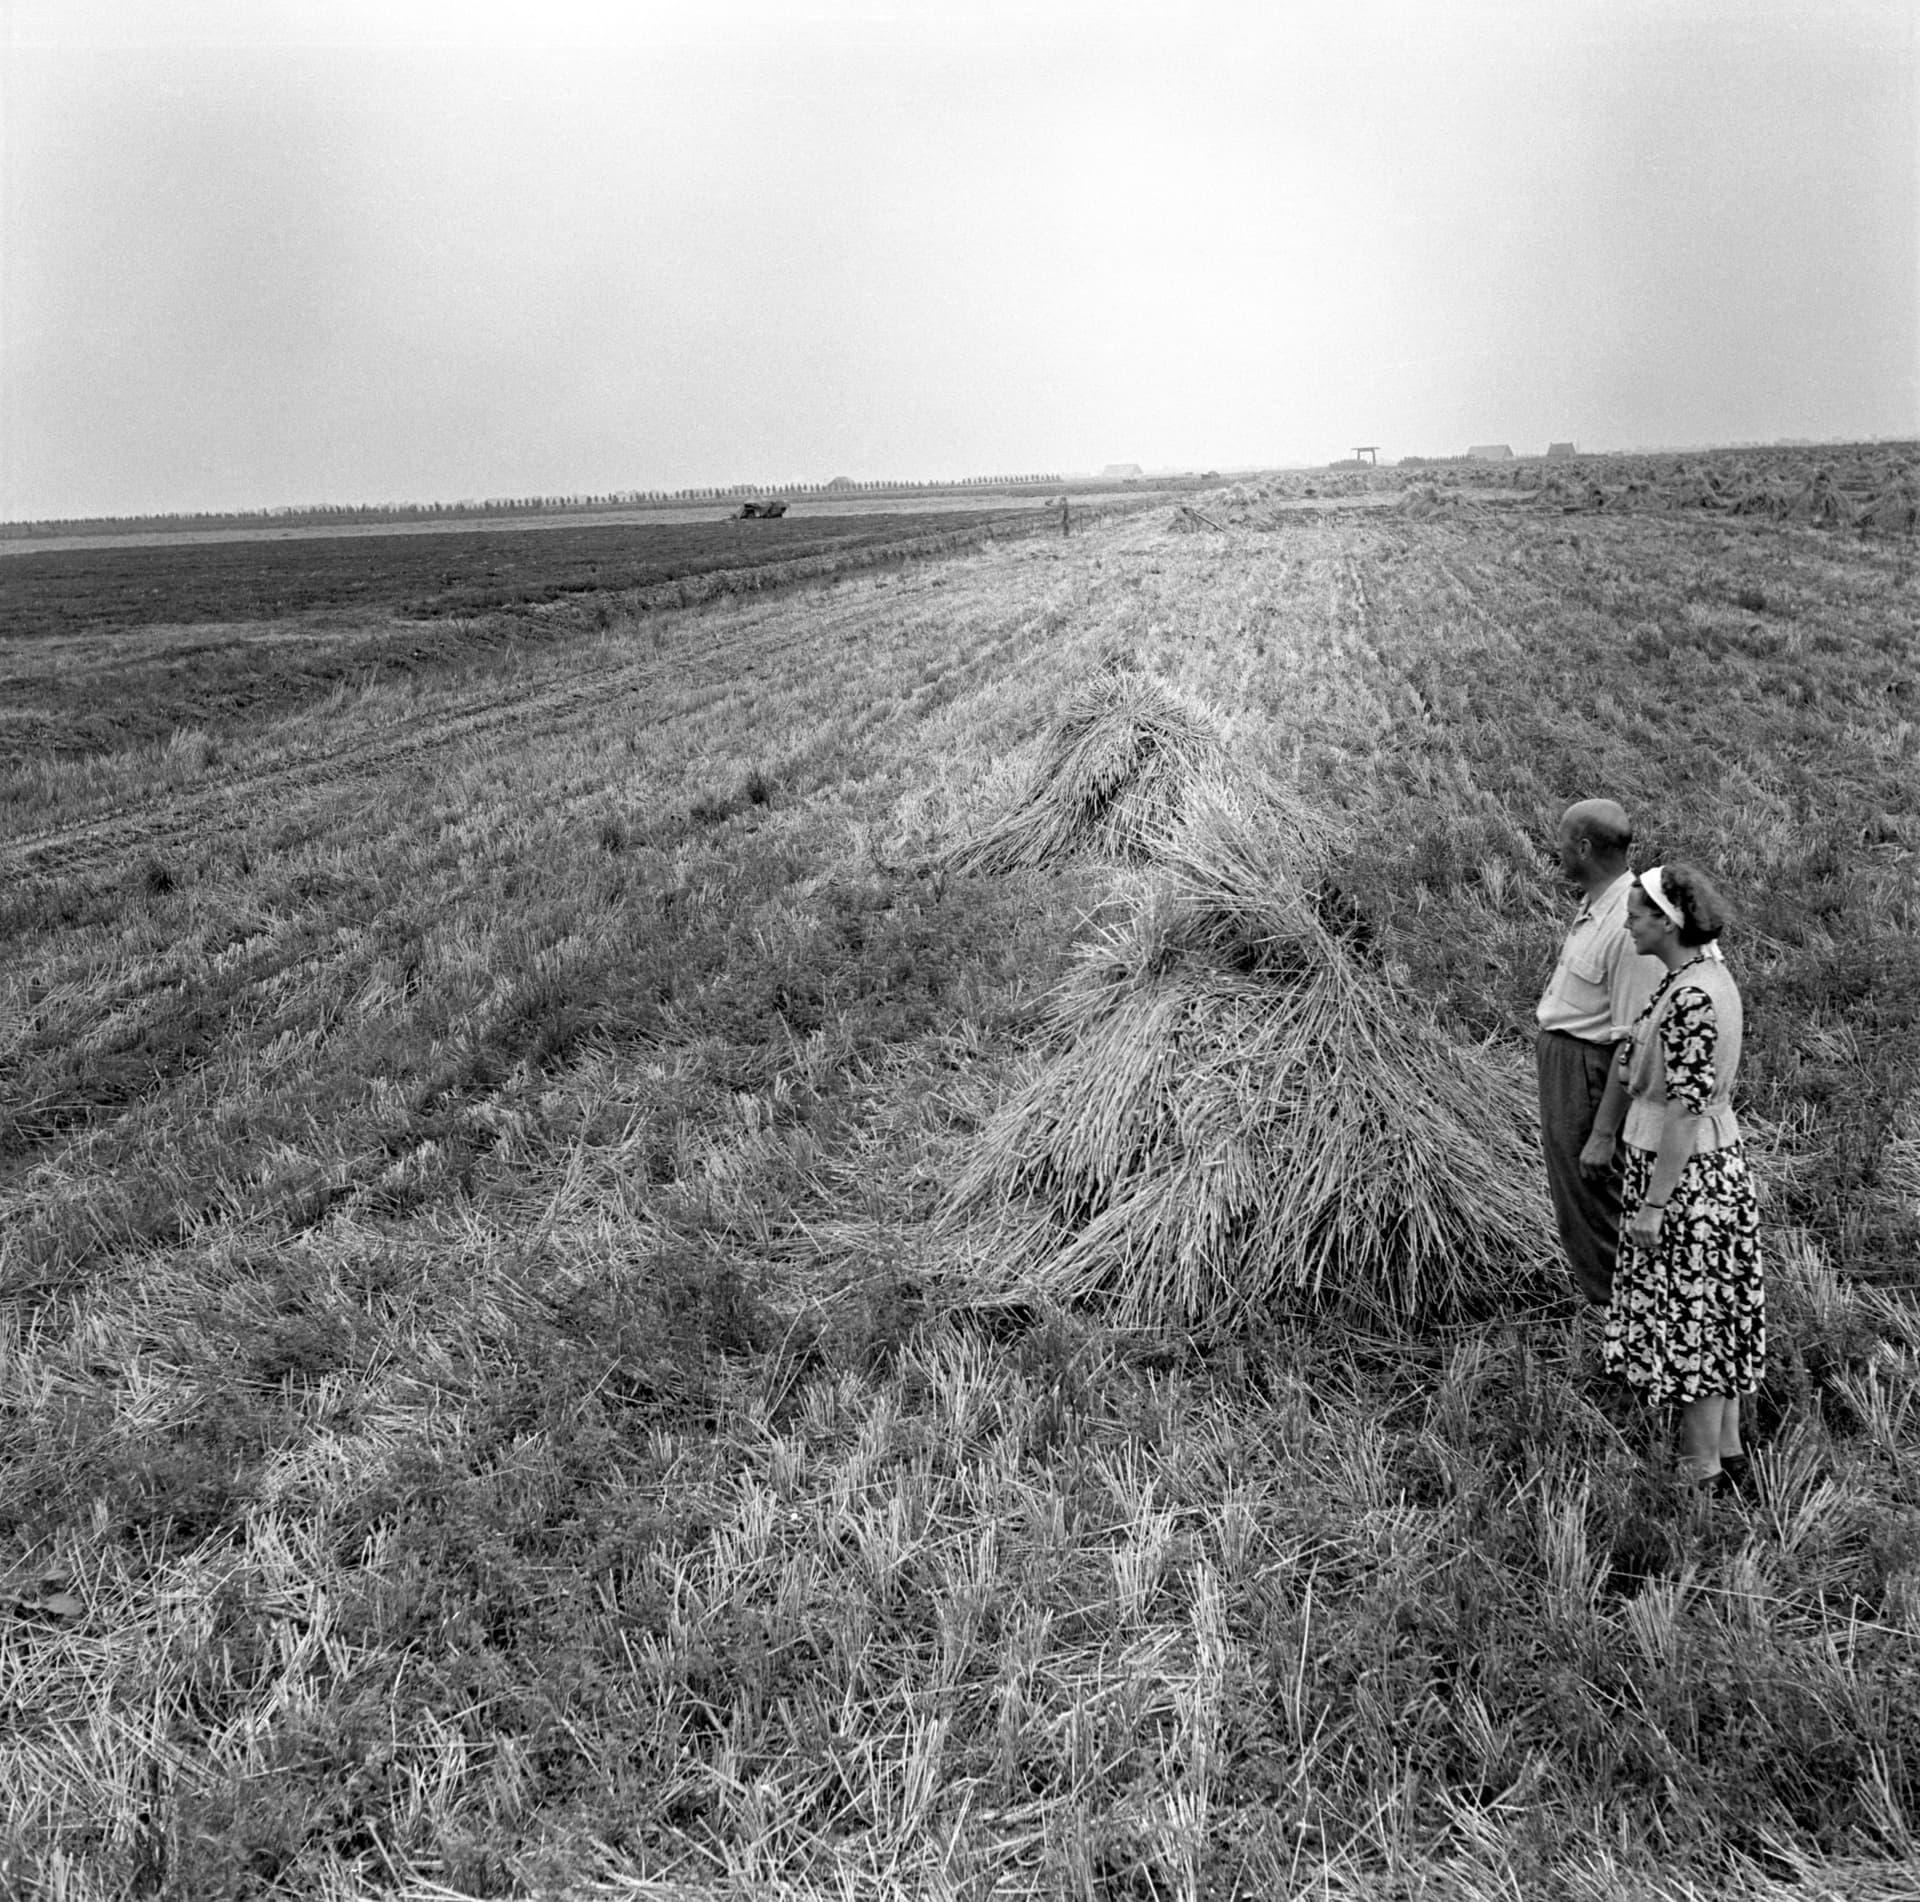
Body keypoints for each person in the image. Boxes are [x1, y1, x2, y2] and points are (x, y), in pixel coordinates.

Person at [1590, 863, 1764, 1488]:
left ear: (1668, 921)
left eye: (1637, 914)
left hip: (1688, 1180)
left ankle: (1700, 1472)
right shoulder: (1701, 976)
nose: (1629, 923)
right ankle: (1728, 1450)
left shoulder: (1691, 994)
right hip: (1707, 1171)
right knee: (1713, 1312)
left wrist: (1654, 1206)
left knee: (1693, 1319)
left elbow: (1687, 1110)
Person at [1536, 800, 1666, 1305]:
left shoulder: (1627, 923)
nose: (1557, 849)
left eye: (1563, 840)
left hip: (1592, 1079)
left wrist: (1604, 1132)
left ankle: (1633, 1323)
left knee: (1599, 1205)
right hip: (1570, 1070)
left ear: (1584, 848)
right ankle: (1618, 1322)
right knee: (1578, 1203)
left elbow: (1635, 1042)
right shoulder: (1600, 904)